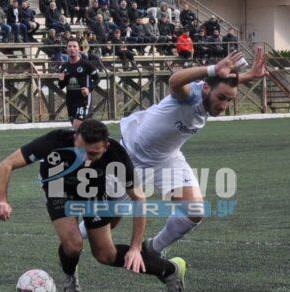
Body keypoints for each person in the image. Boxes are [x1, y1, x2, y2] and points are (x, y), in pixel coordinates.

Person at [78, 50, 267, 258]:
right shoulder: (191, 95)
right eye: (221, 98)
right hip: (131, 156)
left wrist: (250, 74)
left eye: (229, 101)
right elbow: (175, 81)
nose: (223, 106)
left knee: (194, 211)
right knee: (109, 217)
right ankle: (72, 240)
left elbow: (223, 83)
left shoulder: (212, 90)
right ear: (205, 88)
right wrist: (212, 68)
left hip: (167, 158)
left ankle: (152, 249)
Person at [0, 120, 187, 292]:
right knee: (73, 245)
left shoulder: (117, 156)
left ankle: (170, 270)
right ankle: (70, 277)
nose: (85, 158)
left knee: (105, 255)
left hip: (93, 192)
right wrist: (1, 200)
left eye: (93, 154)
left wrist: (136, 247)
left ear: (106, 146)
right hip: (58, 188)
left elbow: (139, 199)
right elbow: (6, 164)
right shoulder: (55, 141)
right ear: (75, 137)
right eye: (81, 150)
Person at [56, 39, 100, 128]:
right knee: (80, 129)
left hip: (82, 99)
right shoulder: (64, 67)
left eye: (74, 46)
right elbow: (61, 86)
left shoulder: (86, 64)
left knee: (76, 128)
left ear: (79, 49)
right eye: (69, 46)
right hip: (71, 100)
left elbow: (97, 78)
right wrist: (61, 79)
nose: (72, 48)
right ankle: (93, 139)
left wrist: (89, 88)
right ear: (67, 49)